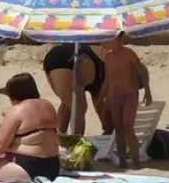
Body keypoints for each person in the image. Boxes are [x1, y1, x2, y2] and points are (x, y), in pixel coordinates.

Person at [99, 36, 152, 169]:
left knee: (128, 127)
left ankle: (136, 161)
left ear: (117, 39)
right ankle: (122, 160)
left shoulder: (129, 53)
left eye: (107, 39)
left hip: (130, 95)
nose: (103, 42)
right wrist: (101, 98)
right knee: (118, 128)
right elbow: (107, 80)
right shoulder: (108, 57)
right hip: (114, 96)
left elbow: (141, 71)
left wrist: (147, 91)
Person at [43, 43, 107, 136]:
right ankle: (76, 144)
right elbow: (100, 103)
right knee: (79, 108)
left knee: (67, 103)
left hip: (52, 56)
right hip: (72, 58)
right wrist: (107, 128)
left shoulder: (98, 63)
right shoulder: (103, 71)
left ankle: (60, 137)